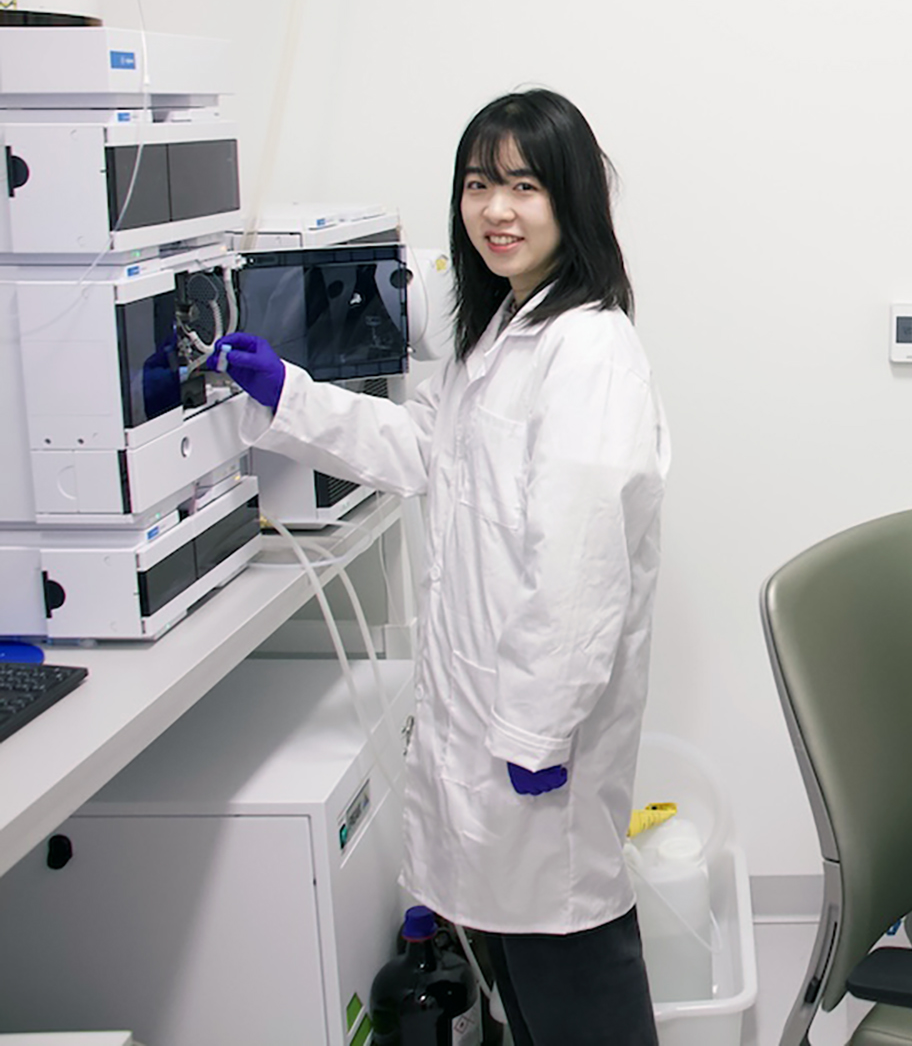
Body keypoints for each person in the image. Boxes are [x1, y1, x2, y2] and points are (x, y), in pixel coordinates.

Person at [207, 89, 669, 1046]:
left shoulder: (589, 351)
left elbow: (579, 572)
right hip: (484, 731)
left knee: (574, 969)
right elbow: (427, 450)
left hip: (538, 753)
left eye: (523, 186)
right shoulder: (498, 335)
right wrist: (286, 393)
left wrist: (538, 735)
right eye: (476, 184)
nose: (495, 210)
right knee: (519, 976)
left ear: (570, 200)